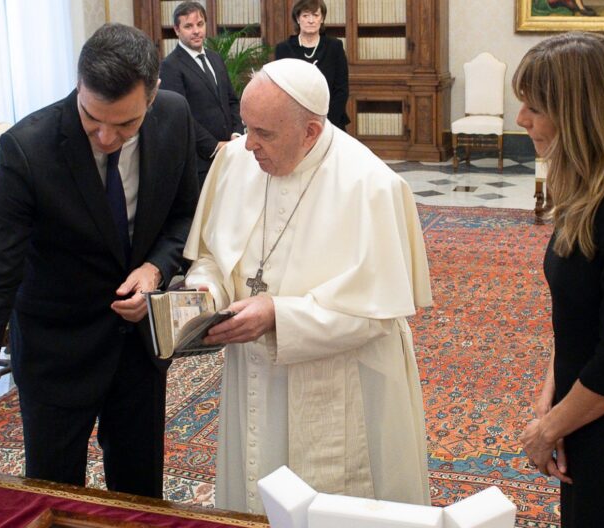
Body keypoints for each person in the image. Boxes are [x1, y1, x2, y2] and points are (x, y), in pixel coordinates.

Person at [0, 23, 198, 510]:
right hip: (56, 351)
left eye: (125, 125)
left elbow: (185, 215)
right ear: (78, 86)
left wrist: (156, 269)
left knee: (140, 501)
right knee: (51, 501)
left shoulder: (176, 116)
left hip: (138, 351)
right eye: (92, 118)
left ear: (153, 95)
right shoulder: (27, 151)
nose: (106, 137)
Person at [183, 58, 432, 514]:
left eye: (264, 133)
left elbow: (376, 317)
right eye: (247, 127)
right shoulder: (237, 160)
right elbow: (212, 256)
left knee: (331, 507)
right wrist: (207, 293)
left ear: (311, 132)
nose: (249, 144)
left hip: (337, 384)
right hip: (252, 371)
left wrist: (278, 315)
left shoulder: (370, 185)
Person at [514, 32, 604, 526]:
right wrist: (553, 399)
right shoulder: (587, 191)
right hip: (585, 410)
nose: (520, 119)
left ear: (577, 112)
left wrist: (547, 430)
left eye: (534, 107)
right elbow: (577, 318)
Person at [160, 1, 244, 186]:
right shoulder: (170, 66)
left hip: (231, 154)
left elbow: (231, 100)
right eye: (188, 26)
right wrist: (214, 146)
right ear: (177, 30)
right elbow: (180, 117)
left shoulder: (215, 58)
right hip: (200, 162)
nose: (196, 31)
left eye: (200, 24)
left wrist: (236, 134)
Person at [275, 0, 349, 131]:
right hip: (294, 123)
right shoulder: (284, 49)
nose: (311, 20)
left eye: (315, 15)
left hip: (331, 121)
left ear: (322, 19)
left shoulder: (334, 47)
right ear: (298, 19)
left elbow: (341, 90)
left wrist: (325, 123)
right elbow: (280, 90)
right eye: (305, 15)